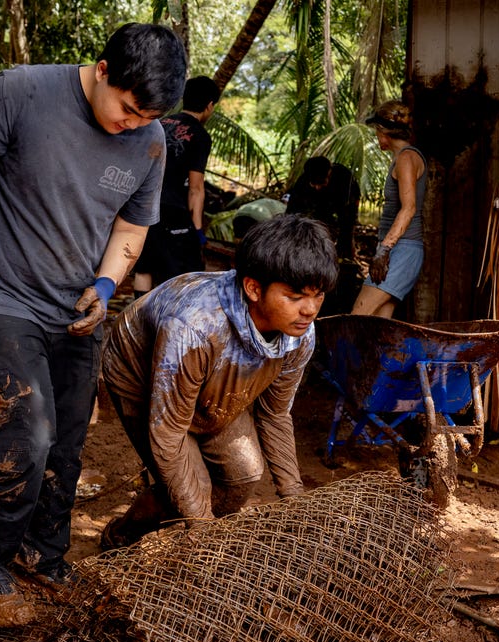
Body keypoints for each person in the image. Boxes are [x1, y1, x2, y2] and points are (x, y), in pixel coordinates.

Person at [0, 23, 186, 628]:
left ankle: (41, 555)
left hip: (74, 311)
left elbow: (131, 228)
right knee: (25, 435)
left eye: (145, 115)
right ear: (102, 69)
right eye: (125, 108)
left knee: (67, 447)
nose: (130, 123)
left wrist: (104, 287)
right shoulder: (21, 92)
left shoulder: (149, 140)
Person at [98, 214, 338, 549]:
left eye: (318, 296)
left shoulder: (299, 334)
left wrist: (294, 499)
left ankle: (188, 536)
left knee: (244, 474)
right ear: (254, 288)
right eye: (295, 296)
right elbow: (169, 433)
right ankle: (122, 537)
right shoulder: (194, 326)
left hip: (215, 374)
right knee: (187, 485)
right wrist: (204, 529)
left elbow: (274, 415)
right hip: (141, 370)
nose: (310, 310)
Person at [132, 75, 221, 297]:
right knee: (182, 273)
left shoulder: (159, 124)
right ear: (209, 105)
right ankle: (169, 323)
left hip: (143, 203)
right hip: (173, 211)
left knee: (144, 268)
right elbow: (196, 188)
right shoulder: (200, 135)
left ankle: (137, 322)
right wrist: (198, 230)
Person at [350, 100, 427, 318]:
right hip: (401, 249)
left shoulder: (406, 159)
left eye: (376, 132)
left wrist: (384, 250)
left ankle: (344, 354)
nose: (377, 137)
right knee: (380, 324)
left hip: (402, 249)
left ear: (383, 132)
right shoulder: (404, 158)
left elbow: (409, 208)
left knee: (358, 316)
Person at [285, 156, 361, 260]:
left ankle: (344, 258)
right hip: (319, 207)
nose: (317, 187)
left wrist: (346, 236)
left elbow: (349, 213)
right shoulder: (303, 180)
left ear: (329, 173)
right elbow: (292, 210)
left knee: (345, 239)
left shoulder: (344, 178)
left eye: (321, 183)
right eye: (313, 184)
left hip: (344, 206)